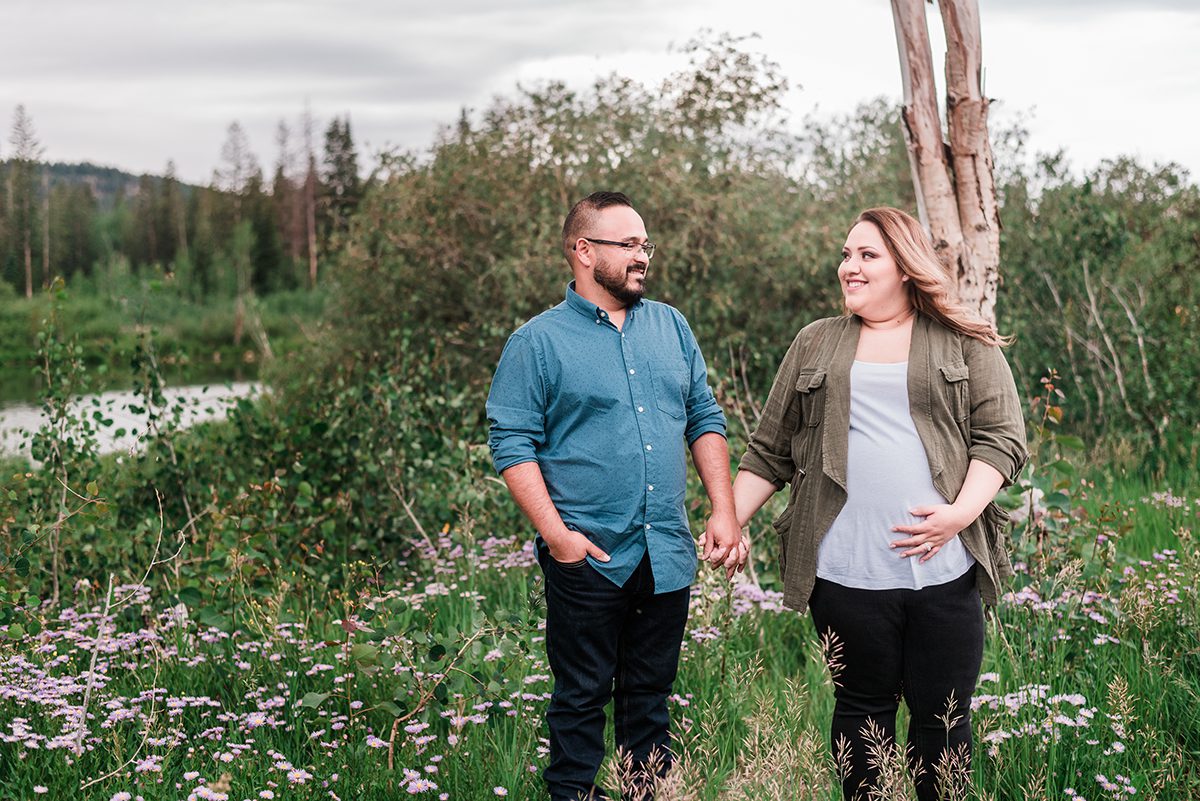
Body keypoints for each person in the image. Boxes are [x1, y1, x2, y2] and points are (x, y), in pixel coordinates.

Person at [726, 207, 1027, 800]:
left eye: (867, 256)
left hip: (944, 571)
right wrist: (727, 521)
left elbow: (1002, 438)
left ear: (906, 267)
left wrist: (958, 516)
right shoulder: (816, 342)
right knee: (861, 714)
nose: (849, 267)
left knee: (942, 720)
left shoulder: (964, 341)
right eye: (846, 255)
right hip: (845, 571)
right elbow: (770, 450)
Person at [487, 191, 744, 801]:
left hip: (666, 553)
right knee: (579, 701)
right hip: (589, 557)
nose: (642, 257)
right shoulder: (537, 343)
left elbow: (703, 416)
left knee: (649, 706)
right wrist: (558, 538)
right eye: (627, 244)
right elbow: (512, 443)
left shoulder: (671, 326)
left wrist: (724, 510)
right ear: (582, 251)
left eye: (645, 244)